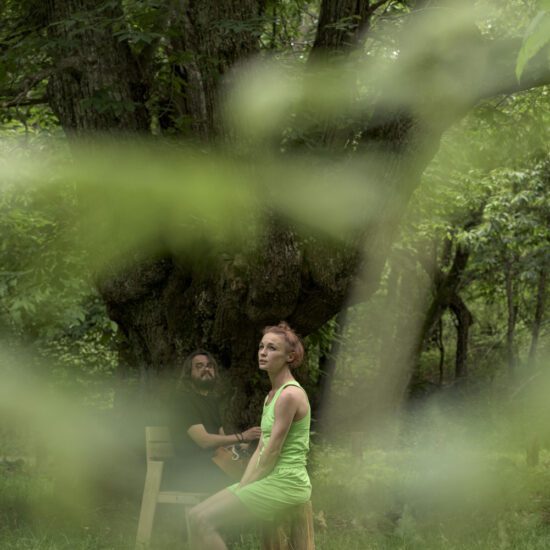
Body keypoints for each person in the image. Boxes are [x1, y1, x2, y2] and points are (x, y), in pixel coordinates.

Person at [188, 322, 311, 549]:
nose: (263, 353)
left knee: (203, 520)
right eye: (261, 347)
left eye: (272, 348)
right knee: (194, 517)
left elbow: (272, 451)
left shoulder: (289, 395)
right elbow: (262, 446)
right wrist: (243, 483)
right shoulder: (271, 396)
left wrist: (246, 487)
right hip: (269, 478)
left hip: (287, 482)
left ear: (290, 357)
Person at [165, 349, 261, 493]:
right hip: (191, 468)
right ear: (189, 373)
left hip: (214, 461)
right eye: (199, 366)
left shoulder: (211, 401)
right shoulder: (183, 400)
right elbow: (204, 441)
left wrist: (245, 446)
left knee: (259, 464)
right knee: (250, 481)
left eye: (209, 366)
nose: (206, 369)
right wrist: (242, 436)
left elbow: (222, 439)